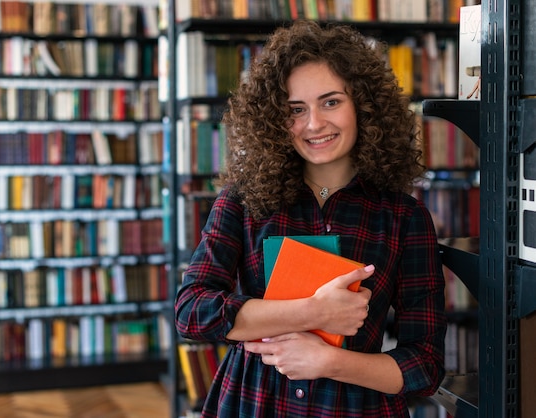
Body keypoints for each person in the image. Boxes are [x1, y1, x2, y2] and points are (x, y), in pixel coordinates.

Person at [175, 19, 447, 418]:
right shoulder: (242, 201)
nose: (314, 124)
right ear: (274, 120)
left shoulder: (404, 216)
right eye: (295, 110)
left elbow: (425, 366)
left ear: (364, 105)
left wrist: (328, 362)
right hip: (253, 404)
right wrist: (313, 312)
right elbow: (190, 313)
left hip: (355, 407)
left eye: (331, 102)